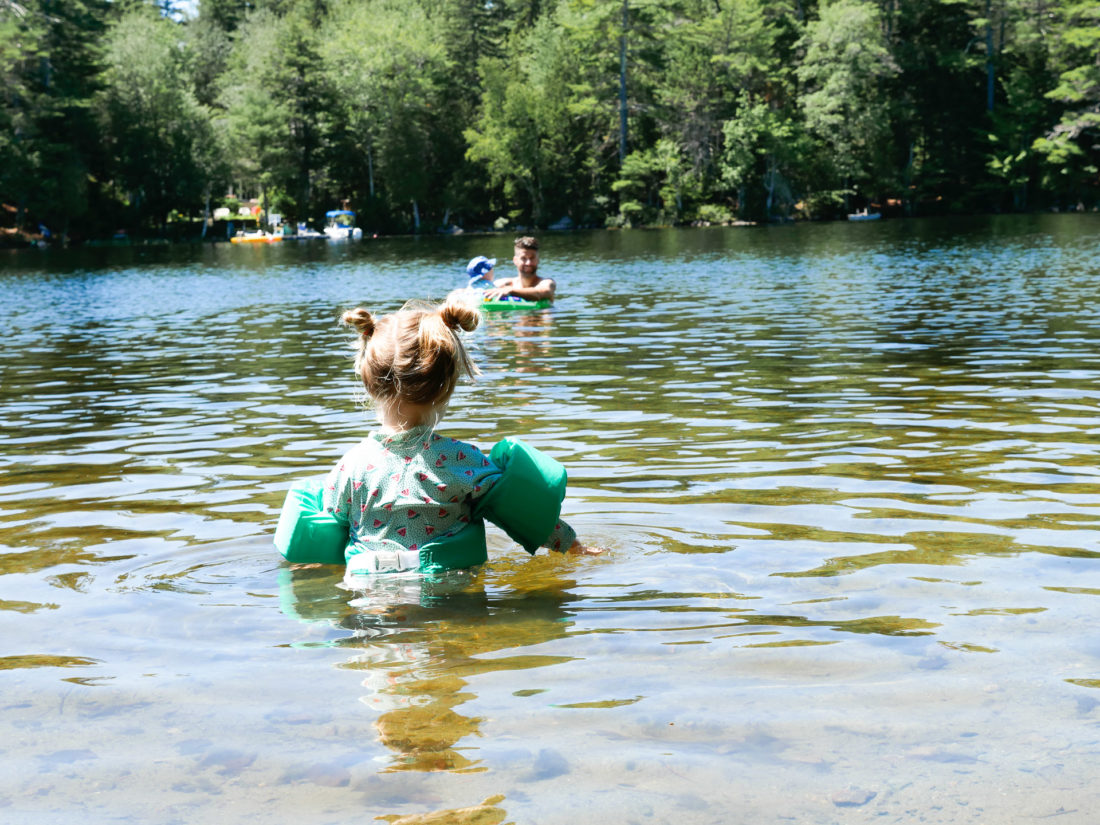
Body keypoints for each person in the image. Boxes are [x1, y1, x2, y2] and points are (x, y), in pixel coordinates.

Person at [322, 293, 599, 580]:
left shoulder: (350, 465)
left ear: (370, 384)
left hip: (369, 594)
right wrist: (575, 546)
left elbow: (327, 525)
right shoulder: (462, 460)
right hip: (447, 592)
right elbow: (523, 514)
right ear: (446, 386)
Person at [483, 236, 557, 303]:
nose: (528, 263)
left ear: (538, 260)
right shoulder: (502, 284)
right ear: (515, 260)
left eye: (532, 258)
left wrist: (511, 291)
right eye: (523, 258)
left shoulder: (547, 283)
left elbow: (544, 292)